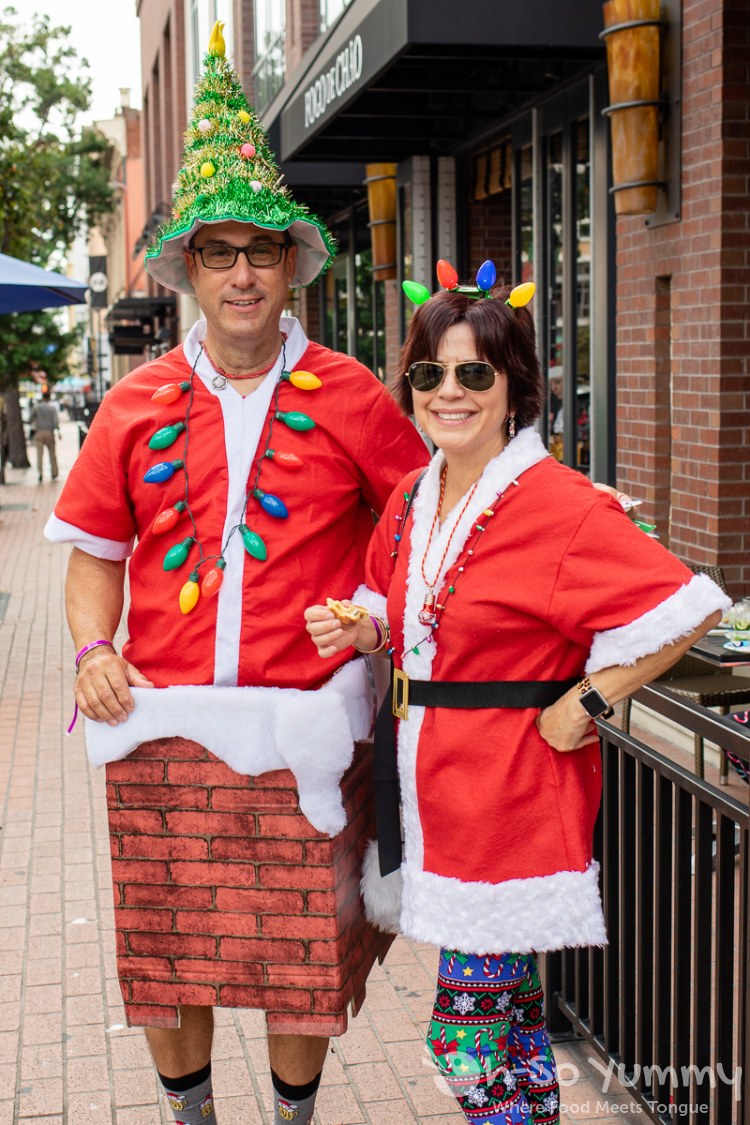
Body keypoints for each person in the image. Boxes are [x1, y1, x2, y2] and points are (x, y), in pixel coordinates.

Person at [45, 24, 427, 1125]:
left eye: (263, 250)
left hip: (303, 725)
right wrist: (92, 648)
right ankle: (193, 1117)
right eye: (221, 251)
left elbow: (414, 529)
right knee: (173, 953)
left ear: (292, 262)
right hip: (162, 720)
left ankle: (294, 1119)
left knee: (300, 950)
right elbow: (93, 558)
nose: (245, 272)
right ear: (189, 269)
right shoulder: (132, 404)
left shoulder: (353, 393)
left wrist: (371, 612)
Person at [304, 276, 728, 1125]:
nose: (449, 393)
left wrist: (591, 700)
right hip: (434, 793)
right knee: (513, 1034)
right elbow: (406, 618)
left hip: (510, 797)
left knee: (464, 1041)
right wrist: (364, 631)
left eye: (473, 375)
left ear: (515, 389)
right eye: (429, 375)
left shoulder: (562, 506)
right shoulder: (413, 497)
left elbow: (691, 605)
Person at [29, 388, 60, 482]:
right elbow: (55, 422)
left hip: (39, 432)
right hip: (49, 432)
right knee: (52, 454)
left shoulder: (36, 408)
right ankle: (54, 473)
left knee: (39, 454)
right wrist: (58, 431)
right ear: (49, 398)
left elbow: (30, 419)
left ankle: (40, 472)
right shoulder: (52, 409)